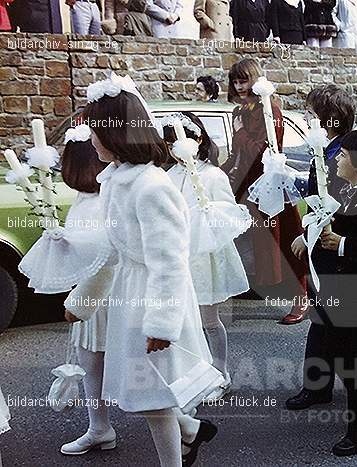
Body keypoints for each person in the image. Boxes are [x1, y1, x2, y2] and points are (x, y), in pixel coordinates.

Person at [65, 80, 219, 467]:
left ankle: (177, 456)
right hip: (130, 296)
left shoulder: (151, 187)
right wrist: (82, 302)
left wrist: (161, 324)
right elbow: (112, 252)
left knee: (154, 399)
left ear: (117, 133)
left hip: (153, 299)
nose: (91, 139)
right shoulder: (116, 180)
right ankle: (190, 431)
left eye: (97, 131)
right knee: (147, 392)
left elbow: (169, 262)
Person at [289, 130, 357, 456]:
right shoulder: (346, 192)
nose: (336, 158)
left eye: (343, 155)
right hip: (339, 291)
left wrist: (343, 244)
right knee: (342, 353)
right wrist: (307, 237)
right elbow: (324, 219)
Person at [163, 112, 251, 401]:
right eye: (169, 144)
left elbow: (228, 213)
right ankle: (192, 373)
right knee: (184, 322)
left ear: (197, 140)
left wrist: (208, 213)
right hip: (177, 255)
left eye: (178, 142)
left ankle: (220, 371)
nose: (174, 150)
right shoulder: (168, 176)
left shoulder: (213, 175)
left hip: (204, 257)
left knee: (209, 320)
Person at [222, 58, 308, 324]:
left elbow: (263, 153)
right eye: (235, 82)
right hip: (245, 187)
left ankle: (302, 298)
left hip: (270, 187)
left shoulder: (271, 110)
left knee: (284, 242)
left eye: (243, 80)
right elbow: (238, 155)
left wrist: (239, 134)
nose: (239, 87)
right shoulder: (241, 111)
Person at [285, 84, 357, 402]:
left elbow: (343, 204)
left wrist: (313, 234)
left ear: (330, 120)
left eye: (311, 114)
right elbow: (317, 198)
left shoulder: (346, 155)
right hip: (322, 244)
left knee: (335, 321)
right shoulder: (324, 150)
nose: (306, 117)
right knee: (323, 318)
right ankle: (318, 385)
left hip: (337, 246)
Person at [58, 125, 115, 457]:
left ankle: (180, 422)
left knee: (133, 364)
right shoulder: (84, 199)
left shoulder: (105, 200)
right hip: (88, 293)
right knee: (91, 362)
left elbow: (105, 255)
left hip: (105, 295)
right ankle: (99, 426)